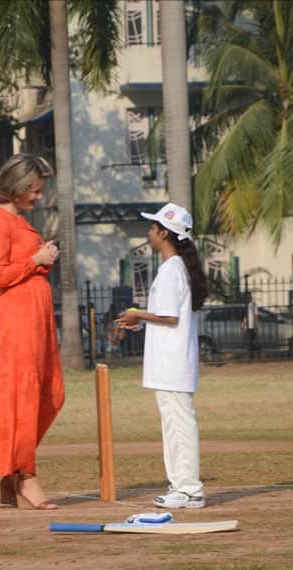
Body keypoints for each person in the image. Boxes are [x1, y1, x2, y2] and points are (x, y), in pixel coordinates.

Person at [0, 153, 64, 510]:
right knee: (25, 398)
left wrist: (42, 257)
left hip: (36, 318)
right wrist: (34, 261)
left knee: (50, 394)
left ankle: (11, 473)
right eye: (35, 191)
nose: (39, 197)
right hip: (18, 322)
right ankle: (25, 474)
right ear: (19, 187)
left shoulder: (21, 221)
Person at [116, 202, 209, 509]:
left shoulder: (172, 270)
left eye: (153, 227)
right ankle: (180, 486)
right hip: (169, 363)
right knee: (173, 425)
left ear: (164, 233)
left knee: (179, 425)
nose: (149, 232)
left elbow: (169, 316)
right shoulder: (174, 268)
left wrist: (136, 313)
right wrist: (138, 318)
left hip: (172, 364)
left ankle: (190, 490)